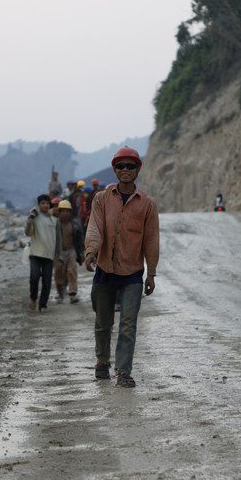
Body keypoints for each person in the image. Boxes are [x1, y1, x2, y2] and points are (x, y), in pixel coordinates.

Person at [85, 147, 159, 388]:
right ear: (115, 170)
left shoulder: (147, 204)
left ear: (137, 169)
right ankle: (102, 361)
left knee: (129, 324)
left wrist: (152, 273)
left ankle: (123, 371)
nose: (125, 170)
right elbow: (95, 227)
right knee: (103, 321)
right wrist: (91, 251)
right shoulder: (101, 199)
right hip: (105, 270)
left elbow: (151, 240)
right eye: (120, 166)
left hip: (133, 275)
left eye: (130, 166)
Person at [25, 194, 60, 311]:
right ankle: (33, 297)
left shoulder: (54, 220)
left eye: (47, 203)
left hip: (49, 256)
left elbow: (58, 239)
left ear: (49, 204)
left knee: (47, 281)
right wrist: (29, 220)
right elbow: (27, 233)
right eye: (42, 203)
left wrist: (58, 255)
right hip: (35, 254)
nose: (45, 205)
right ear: (39, 205)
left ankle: (43, 304)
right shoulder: (34, 217)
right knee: (34, 277)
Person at [54, 199, 84, 304]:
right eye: (63, 211)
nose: (65, 213)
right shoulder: (55, 224)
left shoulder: (75, 224)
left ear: (70, 212)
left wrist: (81, 252)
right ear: (59, 212)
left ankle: (72, 294)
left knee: (72, 271)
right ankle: (60, 293)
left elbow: (80, 239)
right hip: (59, 252)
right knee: (59, 273)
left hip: (71, 250)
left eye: (67, 211)